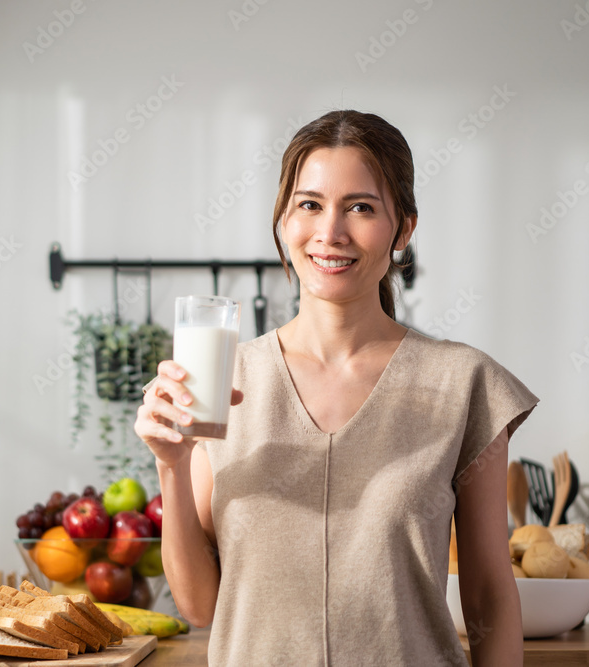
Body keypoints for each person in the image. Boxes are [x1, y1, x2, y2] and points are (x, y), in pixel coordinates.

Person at [135, 110, 538, 666]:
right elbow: (202, 605)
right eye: (309, 204)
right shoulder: (223, 381)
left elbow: (490, 591)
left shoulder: (465, 383)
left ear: (404, 229)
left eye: (361, 207)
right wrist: (171, 466)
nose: (330, 233)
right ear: (283, 219)